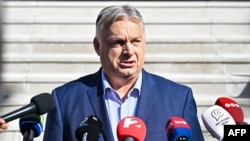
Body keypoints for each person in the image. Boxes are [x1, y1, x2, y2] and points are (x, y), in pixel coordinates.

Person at [43, 5, 204, 141]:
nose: (129, 51)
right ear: (97, 46)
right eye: (118, 42)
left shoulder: (179, 99)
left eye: (136, 41)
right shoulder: (64, 101)